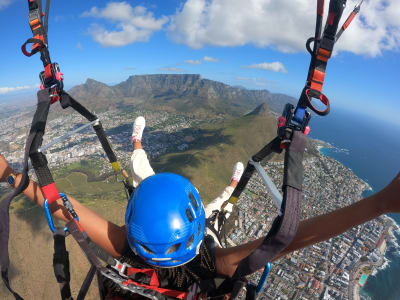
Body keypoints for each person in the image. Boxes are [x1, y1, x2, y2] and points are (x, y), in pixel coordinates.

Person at [0, 116, 399, 299]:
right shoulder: (214, 264)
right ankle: (227, 185)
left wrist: (11, 177)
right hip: (201, 237)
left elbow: (62, 205)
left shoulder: (124, 249)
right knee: (219, 208)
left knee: (145, 178)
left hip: (161, 239)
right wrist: (382, 202)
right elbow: (287, 237)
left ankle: (138, 146)